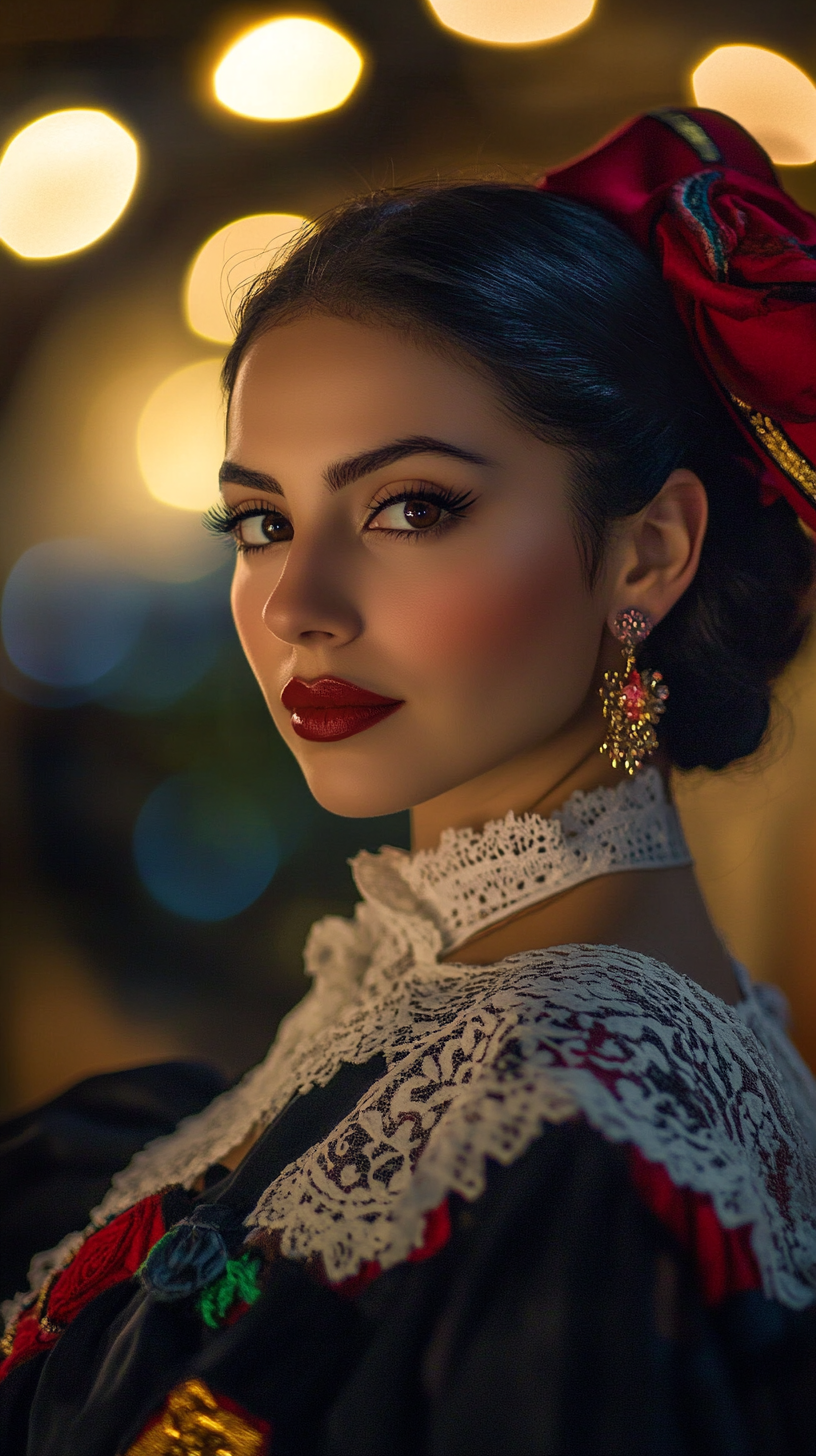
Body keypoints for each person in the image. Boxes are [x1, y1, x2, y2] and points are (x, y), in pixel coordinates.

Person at [2, 107, 816, 1456]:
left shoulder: (561, 1147)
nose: (299, 605)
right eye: (260, 522)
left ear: (648, 554)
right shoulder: (452, 1035)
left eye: (411, 507)